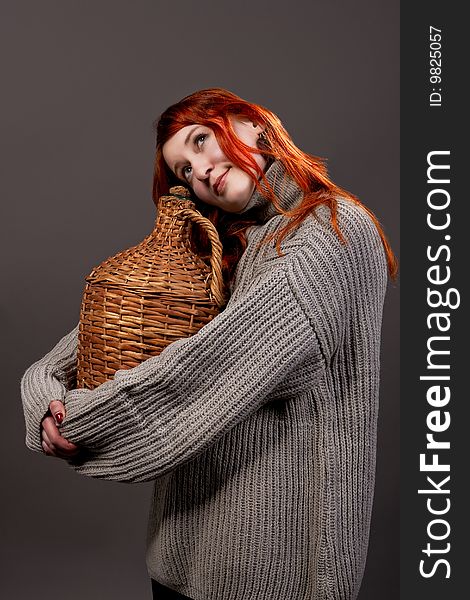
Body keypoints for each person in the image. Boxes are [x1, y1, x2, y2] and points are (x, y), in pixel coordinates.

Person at [21, 88, 397, 600]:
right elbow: (84, 342)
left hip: (270, 578)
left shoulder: (330, 233)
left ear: (249, 122)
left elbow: (200, 373)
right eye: (183, 170)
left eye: (202, 141)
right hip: (179, 560)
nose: (198, 170)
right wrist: (42, 398)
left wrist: (79, 422)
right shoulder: (231, 256)